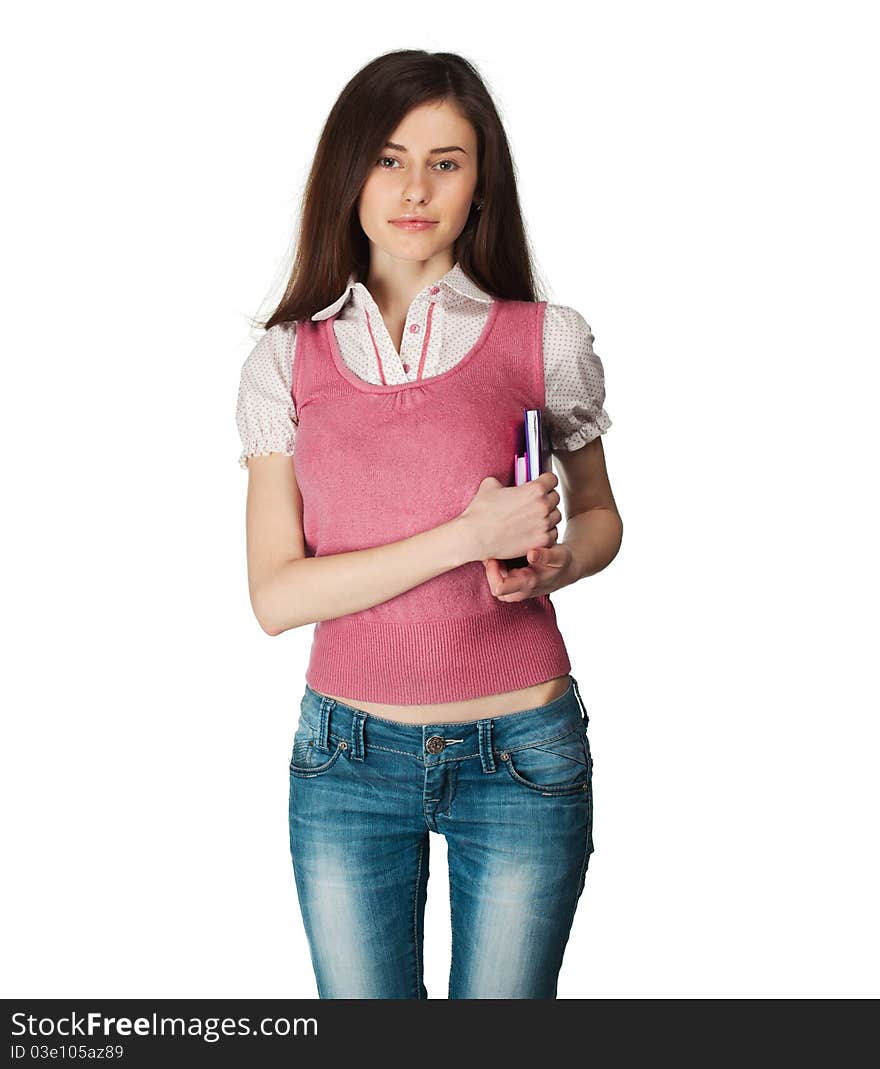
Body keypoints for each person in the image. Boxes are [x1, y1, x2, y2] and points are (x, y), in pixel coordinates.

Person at [235, 49, 623, 999]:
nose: (417, 188)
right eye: (389, 159)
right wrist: (464, 535)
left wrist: (555, 562)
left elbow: (604, 518)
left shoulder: (546, 336)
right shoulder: (287, 359)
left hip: (523, 756)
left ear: (480, 181)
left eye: (446, 162)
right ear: (348, 173)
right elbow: (277, 596)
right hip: (348, 759)